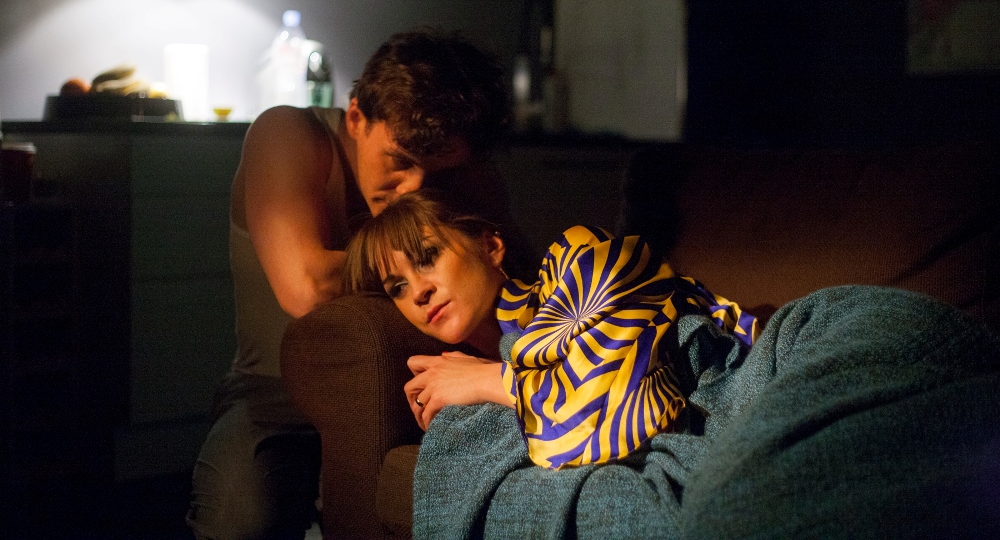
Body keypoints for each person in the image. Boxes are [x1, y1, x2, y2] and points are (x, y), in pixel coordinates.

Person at [187, 29, 533, 540]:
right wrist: (428, 257)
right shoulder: (291, 135)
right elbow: (305, 287)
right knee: (240, 519)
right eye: (399, 161)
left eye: (437, 173)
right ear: (355, 118)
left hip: (420, 384)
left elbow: (520, 279)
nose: (414, 189)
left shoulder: (463, 173)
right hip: (274, 395)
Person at [344, 190, 760, 470]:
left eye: (427, 257)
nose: (418, 291)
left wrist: (491, 380)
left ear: (490, 247)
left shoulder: (576, 256)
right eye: (397, 287)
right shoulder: (459, 373)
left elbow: (622, 405)